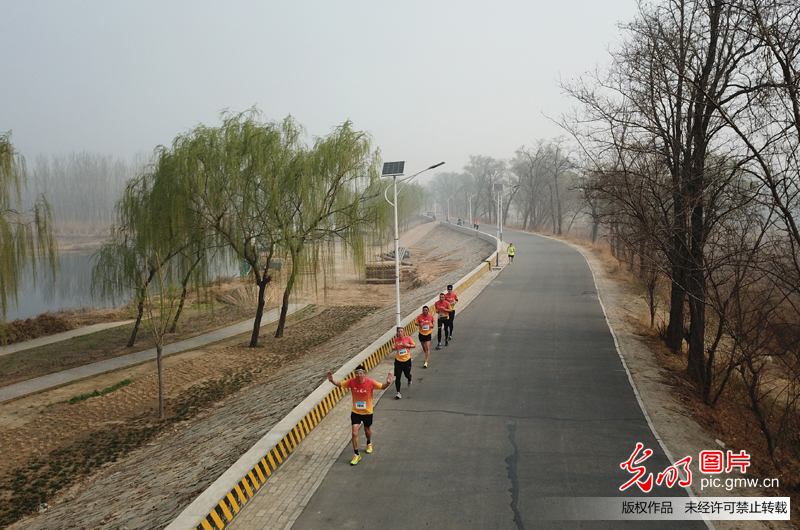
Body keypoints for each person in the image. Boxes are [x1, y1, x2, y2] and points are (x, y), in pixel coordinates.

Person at [327, 365, 392, 465]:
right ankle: (356, 454)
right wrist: (332, 380)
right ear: (355, 374)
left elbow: (382, 387)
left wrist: (387, 382)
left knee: (367, 430)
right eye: (357, 373)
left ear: (364, 374)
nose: (359, 375)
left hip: (367, 412)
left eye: (361, 373)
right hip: (356, 412)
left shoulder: (370, 382)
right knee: (354, 433)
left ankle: (369, 442)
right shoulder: (351, 382)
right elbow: (340, 384)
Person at [394, 326, 416, 399]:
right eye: (398, 331)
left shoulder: (408, 338)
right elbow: (396, 347)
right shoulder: (396, 340)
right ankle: (398, 392)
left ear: (404, 332)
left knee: (407, 374)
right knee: (398, 377)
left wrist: (408, 345)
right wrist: (394, 348)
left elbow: (414, 345)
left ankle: (409, 378)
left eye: (401, 331)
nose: (400, 333)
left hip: (406, 361)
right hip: (398, 361)